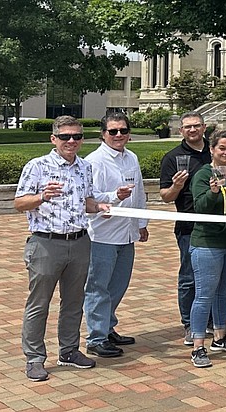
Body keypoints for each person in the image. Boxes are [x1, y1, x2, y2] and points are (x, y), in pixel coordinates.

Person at [15, 115, 111, 382]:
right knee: (39, 303)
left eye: (77, 136)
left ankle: (69, 351)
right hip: (46, 243)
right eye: (65, 136)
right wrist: (41, 196)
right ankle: (34, 358)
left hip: (80, 242)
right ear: (53, 139)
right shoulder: (37, 166)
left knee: (74, 302)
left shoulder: (84, 167)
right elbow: (20, 203)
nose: (71, 141)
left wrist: (99, 207)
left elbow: (87, 201)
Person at [82, 113, 148, 359]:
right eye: (113, 131)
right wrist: (113, 197)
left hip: (126, 233)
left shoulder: (131, 157)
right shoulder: (94, 161)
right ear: (103, 134)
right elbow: (89, 197)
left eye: (123, 130)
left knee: (118, 285)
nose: (118, 135)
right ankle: (96, 338)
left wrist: (141, 223)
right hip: (102, 235)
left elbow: (139, 193)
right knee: (98, 287)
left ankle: (108, 328)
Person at [187, 131, 226, 368]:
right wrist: (213, 192)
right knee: (204, 294)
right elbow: (200, 207)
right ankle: (198, 346)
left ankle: (220, 337)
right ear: (212, 150)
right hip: (208, 244)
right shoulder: (203, 175)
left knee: (224, 291)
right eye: (221, 148)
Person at [159, 112, 212, 345]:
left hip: (216, 226)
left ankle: (211, 321)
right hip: (189, 227)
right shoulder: (173, 157)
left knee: (215, 277)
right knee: (190, 277)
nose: (193, 130)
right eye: (188, 127)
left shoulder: (216, 151)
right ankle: (190, 324)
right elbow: (165, 197)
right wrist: (176, 186)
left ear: (204, 127)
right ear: (181, 131)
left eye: (197, 126)